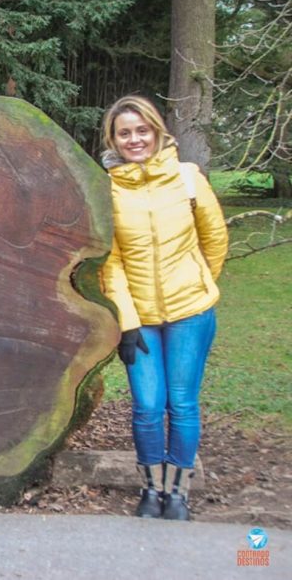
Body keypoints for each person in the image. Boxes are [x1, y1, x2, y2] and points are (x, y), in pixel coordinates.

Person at [99, 95, 229, 521]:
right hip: (140, 320)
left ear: (156, 131)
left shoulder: (188, 179)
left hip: (191, 313)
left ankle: (178, 493)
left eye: (142, 130)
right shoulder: (109, 190)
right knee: (148, 406)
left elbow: (215, 240)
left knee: (182, 403)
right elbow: (111, 260)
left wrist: (199, 283)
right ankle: (151, 488)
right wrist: (127, 322)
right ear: (113, 140)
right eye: (125, 133)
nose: (134, 139)